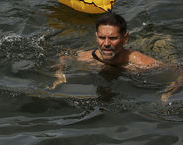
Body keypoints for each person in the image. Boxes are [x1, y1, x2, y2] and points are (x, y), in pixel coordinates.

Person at [51, 11, 182, 104]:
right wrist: (59, 74)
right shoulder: (88, 57)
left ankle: (158, 38)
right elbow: (63, 55)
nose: (106, 43)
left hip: (151, 49)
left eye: (113, 38)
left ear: (125, 38)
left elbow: (179, 70)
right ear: (96, 36)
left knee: (161, 43)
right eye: (102, 38)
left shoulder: (139, 62)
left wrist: (170, 89)